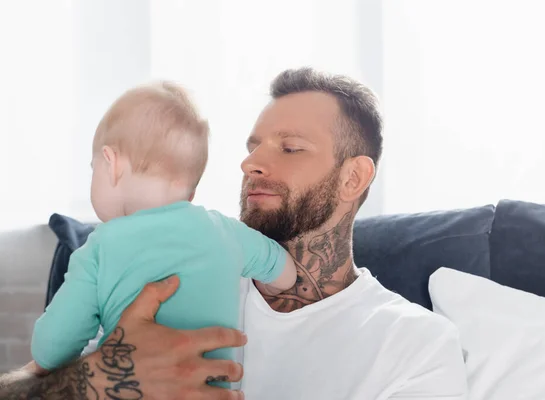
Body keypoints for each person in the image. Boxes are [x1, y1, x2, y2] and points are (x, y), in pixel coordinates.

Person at [0, 68, 468, 400]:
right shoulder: (166, 268)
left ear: (353, 178)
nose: (250, 163)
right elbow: (28, 381)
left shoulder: (415, 345)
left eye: (289, 147)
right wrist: (93, 382)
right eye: (252, 148)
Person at [26, 82, 297, 382]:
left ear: (111, 164)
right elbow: (285, 272)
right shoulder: (225, 231)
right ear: (191, 193)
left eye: (93, 168)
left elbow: (50, 351)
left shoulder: (101, 247)